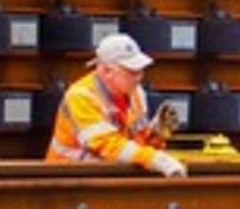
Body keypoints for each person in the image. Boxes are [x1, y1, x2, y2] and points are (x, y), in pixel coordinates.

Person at [46, 33, 187, 177]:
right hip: (68, 181)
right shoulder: (81, 97)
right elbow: (107, 144)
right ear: (107, 71)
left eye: (141, 71)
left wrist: (156, 134)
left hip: (106, 178)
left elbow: (136, 147)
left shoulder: (136, 94)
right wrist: (158, 161)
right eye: (132, 72)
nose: (138, 78)